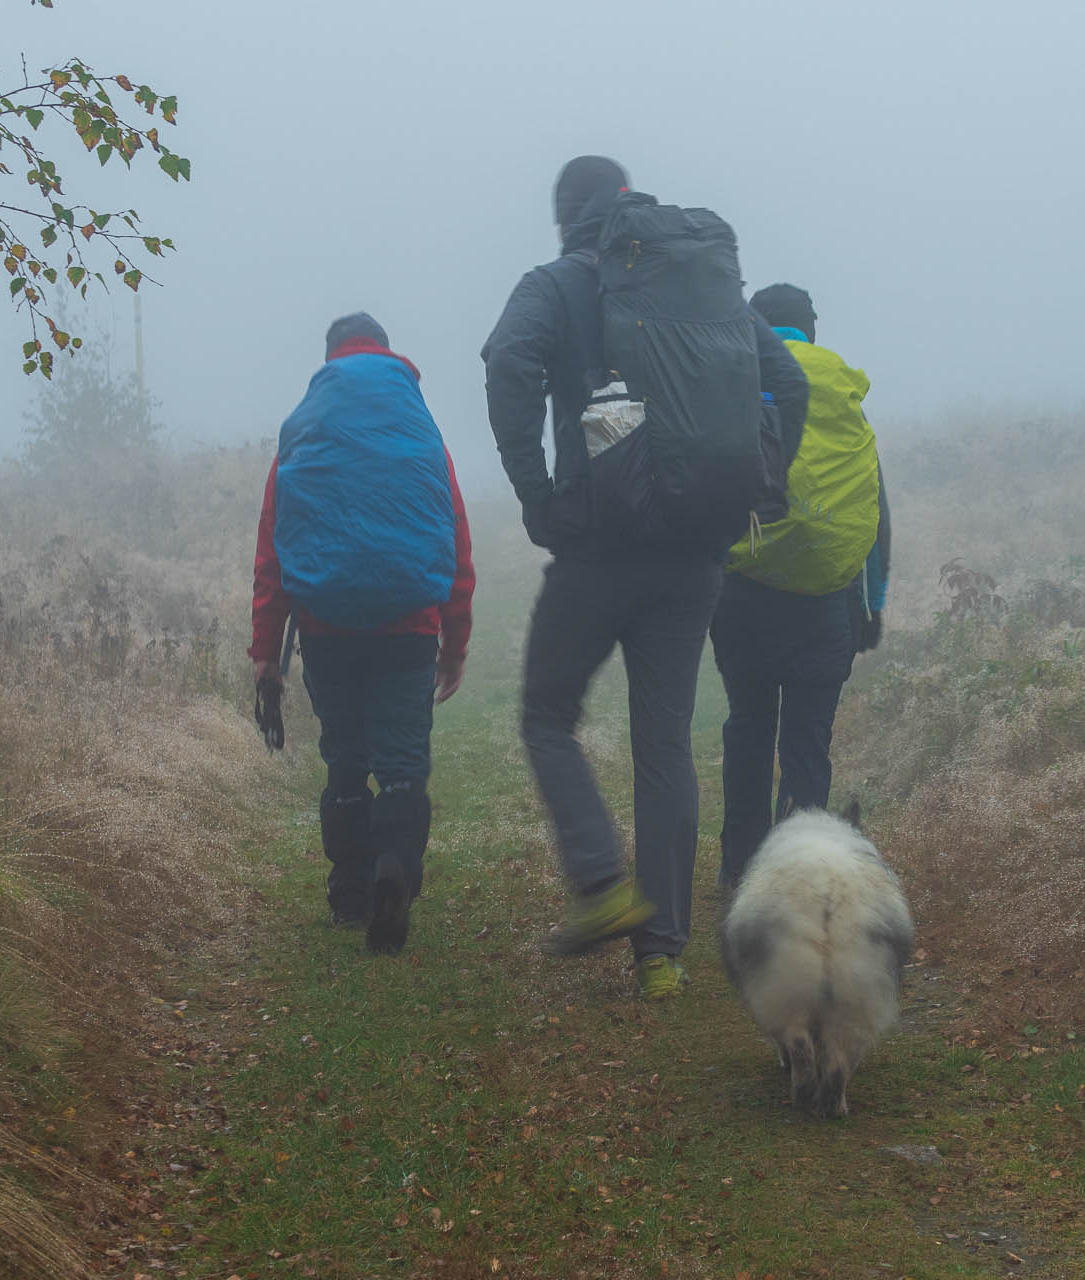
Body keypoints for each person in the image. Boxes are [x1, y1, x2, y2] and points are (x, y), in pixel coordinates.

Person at [481, 156, 808, 999]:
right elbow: (788, 382)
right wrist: (757, 486)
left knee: (549, 717)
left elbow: (507, 362)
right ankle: (661, 953)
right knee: (664, 743)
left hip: (597, 548)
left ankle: (600, 885)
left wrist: (536, 495)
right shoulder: (703, 286)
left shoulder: (556, 285)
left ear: (568, 216)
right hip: (694, 555)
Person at [251, 312, 475, 955]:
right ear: (386, 353)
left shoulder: (303, 431)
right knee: (404, 763)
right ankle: (396, 869)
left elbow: (273, 550)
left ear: (329, 360)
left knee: (345, 759)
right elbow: (454, 540)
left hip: (326, 624)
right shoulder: (419, 431)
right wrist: (454, 642)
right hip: (410, 624)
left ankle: (350, 895)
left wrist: (268, 651)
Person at [711, 284, 892, 891]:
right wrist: (874, 603)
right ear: (810, 330)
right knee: (809, 738)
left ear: (757, 327)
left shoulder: (736, 380)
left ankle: (740, 865)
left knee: (749, 725)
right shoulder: (843, 396)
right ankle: (803, 871)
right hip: (829, 597)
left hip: (745, 593)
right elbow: (874, 510)